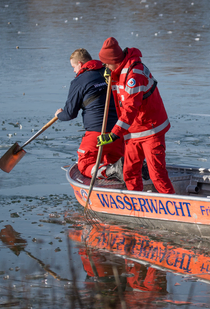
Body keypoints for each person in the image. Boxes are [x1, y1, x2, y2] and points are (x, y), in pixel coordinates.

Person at [96, 37, 176, 194]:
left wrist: (113, 134)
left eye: (106, 64)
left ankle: (172, 205)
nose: (105, 67)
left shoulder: (134, 76)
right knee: (130, 172)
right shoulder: (120, 70)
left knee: (156, 174)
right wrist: (112, 79)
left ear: (114, 60)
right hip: (133, 130)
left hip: (150, 129)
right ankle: (136, 203)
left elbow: (130, 108)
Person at [55, 48, 124, 180]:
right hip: (118, 131)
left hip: (96, 134)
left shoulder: (79, 80)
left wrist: (59, 115)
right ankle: (117, 170)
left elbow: (70, 113)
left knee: (84, 164)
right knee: (117, 160)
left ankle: (108, 171)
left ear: (80, 64)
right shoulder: (108, 71)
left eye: (74, 67)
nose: (74, 71)